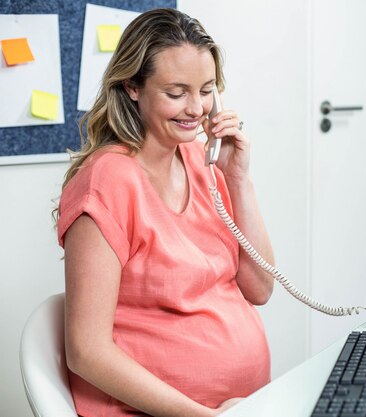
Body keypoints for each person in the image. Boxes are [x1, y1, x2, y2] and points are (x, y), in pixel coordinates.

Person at [55, 8, 274, 417]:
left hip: (232, 407)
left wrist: (238, 178)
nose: (196, 109)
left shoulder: (199, 158)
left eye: (207, 90)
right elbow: (86, 352)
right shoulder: (107, 181)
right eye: (176, 93)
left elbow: (260, 289)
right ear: (132, 87)